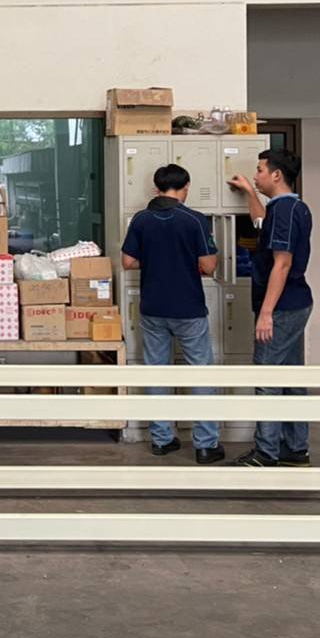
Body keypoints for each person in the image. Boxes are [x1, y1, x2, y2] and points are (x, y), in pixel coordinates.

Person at [120, 163, 225, 464]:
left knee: (157, 372)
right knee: (200, 374)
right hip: (188, 309)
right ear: (186, 187)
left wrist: (156, 261)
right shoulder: (194, 220)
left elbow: (128, 262)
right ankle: (205, 446)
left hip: (153, 309)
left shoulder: (141, 219)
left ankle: (162, 440)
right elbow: (209, 266)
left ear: (157, 188)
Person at [227, 148, 314, 467]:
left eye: (260, 170)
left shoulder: (287, 211)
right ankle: (295, 448)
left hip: (282, 307)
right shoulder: (287, 208)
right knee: (290, 378)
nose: (256, 175)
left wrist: (266, 314)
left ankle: (266, 452)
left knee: (267, 377)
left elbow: (282, 263)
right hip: (294, 303)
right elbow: (261, 223)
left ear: (276, 175)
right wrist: (250, 194)